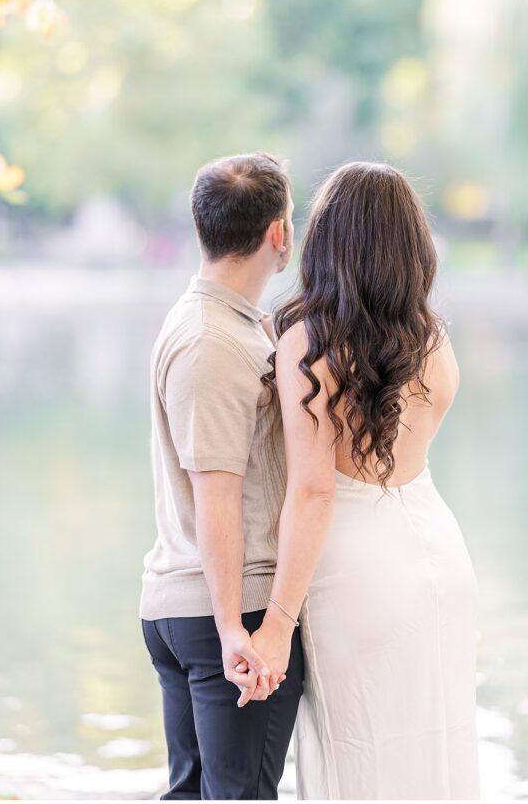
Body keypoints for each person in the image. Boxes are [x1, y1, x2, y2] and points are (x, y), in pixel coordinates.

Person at [253, 161, 482, 800]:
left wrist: (275, 623)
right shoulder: (431, 338)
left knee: (358, 755)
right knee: (438, 750)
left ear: (327, 241)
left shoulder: (309, 343)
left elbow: (313, 489)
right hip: (438, 549)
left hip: (356, 568)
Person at [139, 152, 303, 801]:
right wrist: (235, 625)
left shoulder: (228, 325)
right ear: (277, 234)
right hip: (221, 614)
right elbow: (217, 494)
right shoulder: (212, 341)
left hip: (195, 609)